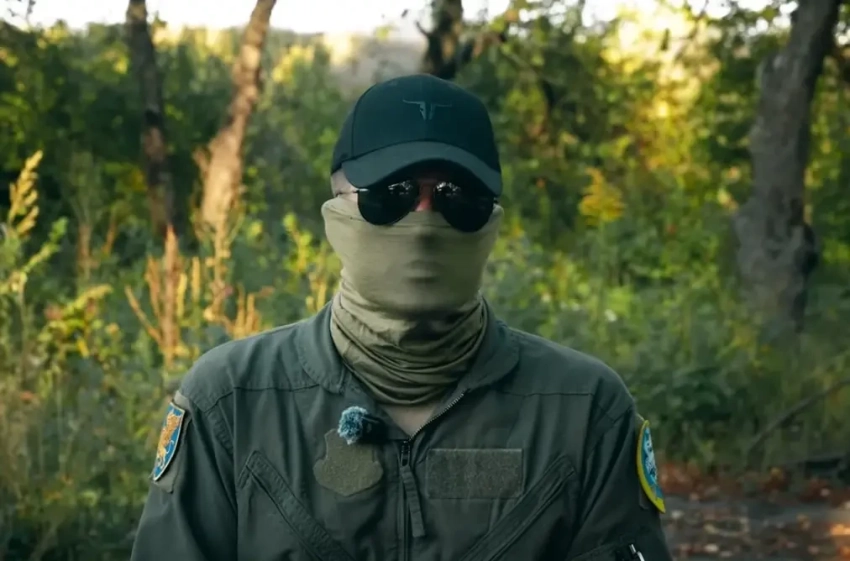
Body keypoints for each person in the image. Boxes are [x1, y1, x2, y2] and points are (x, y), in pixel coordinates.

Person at [130, 73, 673, 561]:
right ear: (337, 206)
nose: (424, 219)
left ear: (491, 219)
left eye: (456, 197)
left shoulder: (584, 410)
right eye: (391, 194)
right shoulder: (232, 402)